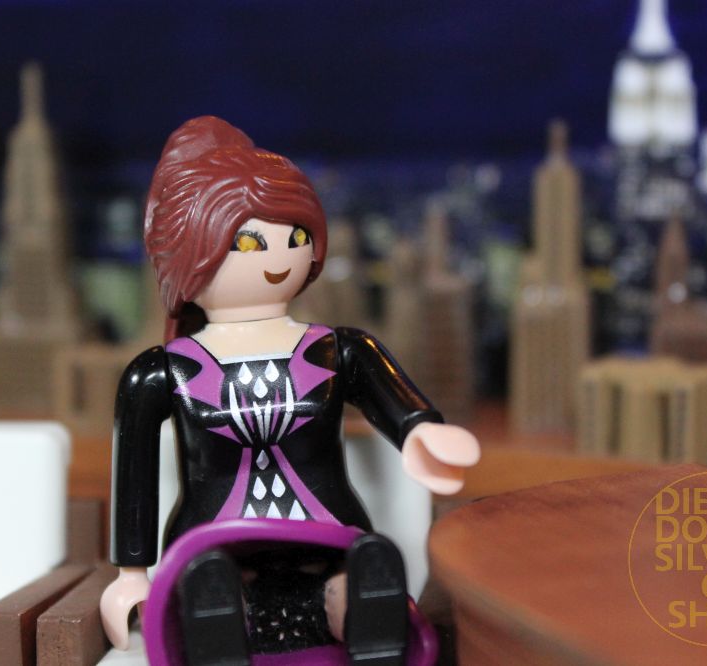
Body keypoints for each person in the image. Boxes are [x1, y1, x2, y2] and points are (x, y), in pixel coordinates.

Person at [99, 116, 480, 664]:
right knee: (211, 590)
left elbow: (393, 400)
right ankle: (219, 626)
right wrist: (130, 574)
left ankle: (362, 618)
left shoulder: (337, 348)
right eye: (249, 241)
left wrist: (421, 432)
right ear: (190, 251)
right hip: (215, 545)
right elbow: (132, 472)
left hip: (326, 538)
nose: (279, 257)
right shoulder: (164, 371)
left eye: (296, 238)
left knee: (353, 583)